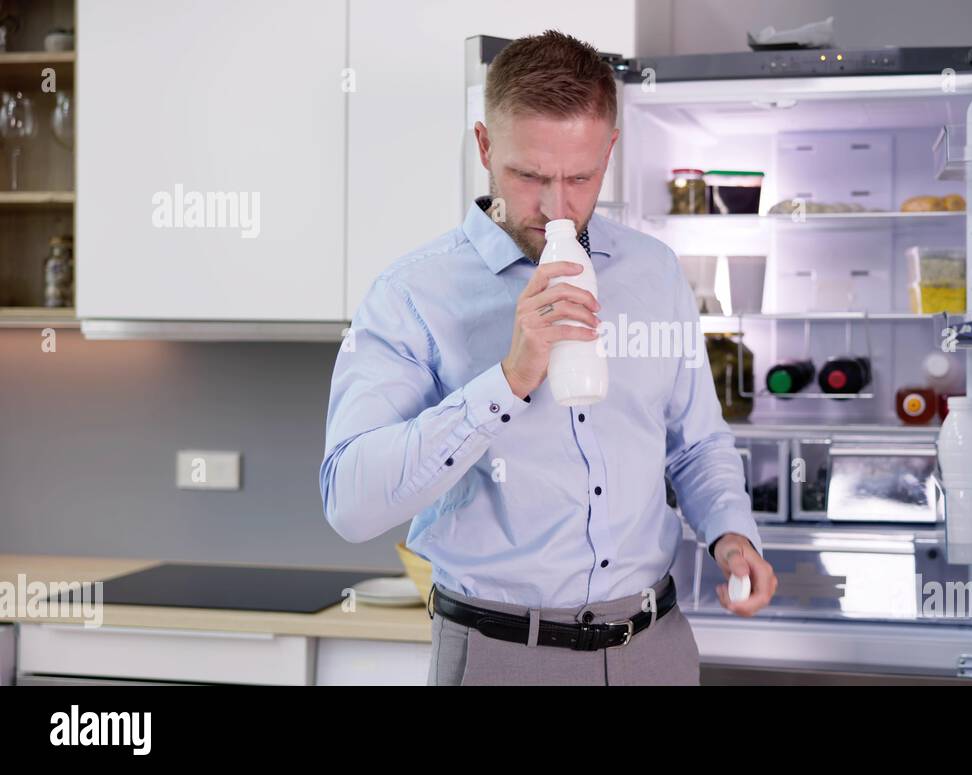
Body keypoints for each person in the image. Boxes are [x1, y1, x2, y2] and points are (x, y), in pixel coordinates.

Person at [320, 29, 777, 686]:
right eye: (529, 176)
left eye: (580, 177)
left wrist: (733, 534)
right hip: (500, 654)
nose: (555, 206)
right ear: (484, 147)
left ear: (611, 151)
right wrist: (507, 380)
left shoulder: (655, 273)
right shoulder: (411, 295)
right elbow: (351, 503)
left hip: (655, 649)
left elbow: (696, 444)